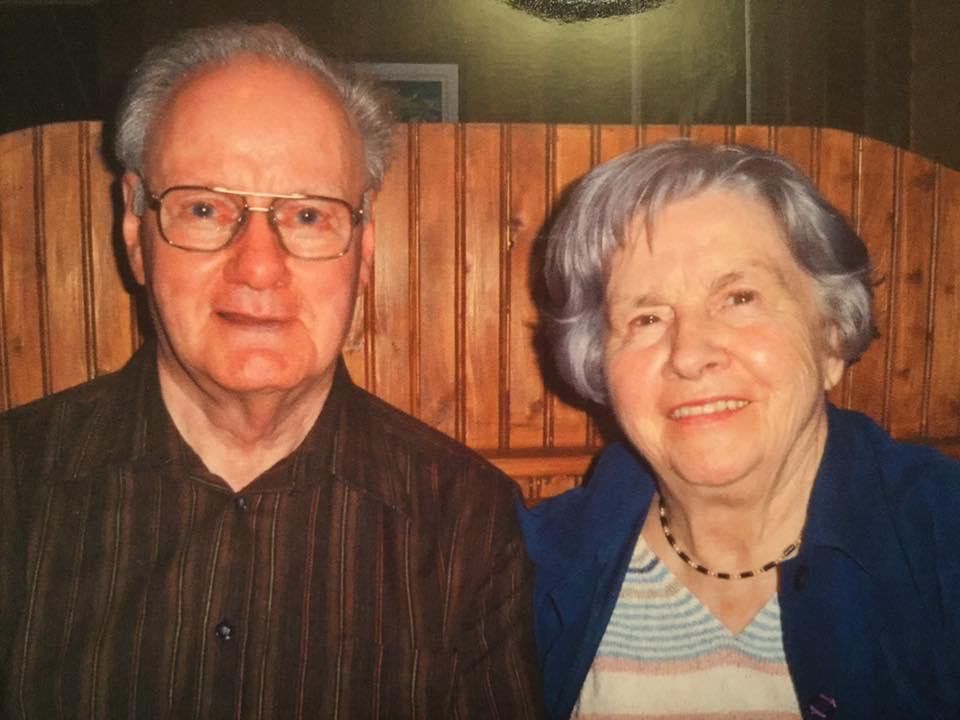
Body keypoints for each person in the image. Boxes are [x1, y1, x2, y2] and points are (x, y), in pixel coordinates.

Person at [0, 23, 541, 718]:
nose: (258, 266)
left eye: (308, 216)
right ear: (136, 236)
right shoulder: (16, 489)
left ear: (363, 250)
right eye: (203, 208)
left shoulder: (467, 519)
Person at [521, 139, 960, 719]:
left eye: (739, 297)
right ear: (598, 364)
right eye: (646, 317)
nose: (690, 354)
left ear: (831, 334)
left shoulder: (942, 536)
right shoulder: (526, 567)